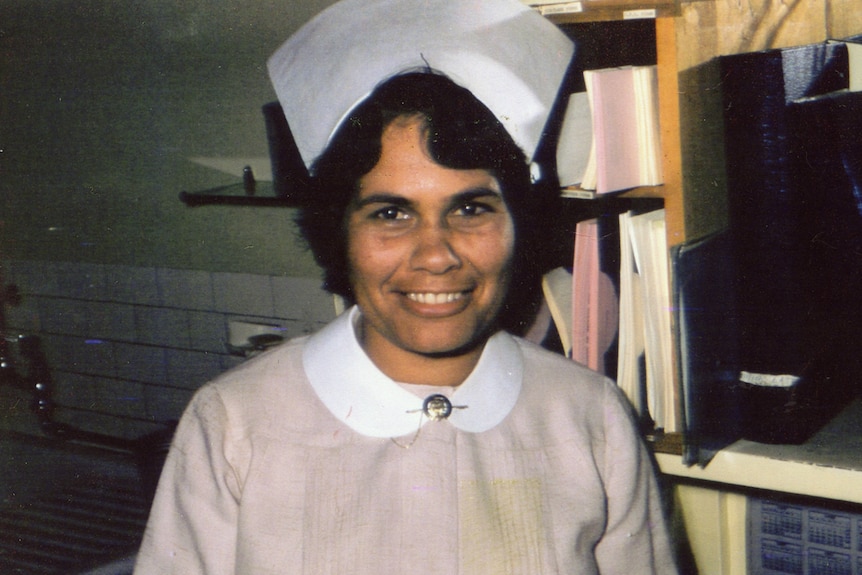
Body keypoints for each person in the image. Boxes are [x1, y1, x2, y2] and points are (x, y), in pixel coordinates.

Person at [134, 0, 678, 573]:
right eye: (391, 214)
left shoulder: (590, 416)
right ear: (336, 233)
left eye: (470, 208)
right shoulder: (234, 423)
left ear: (519, 226)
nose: (437, 255)